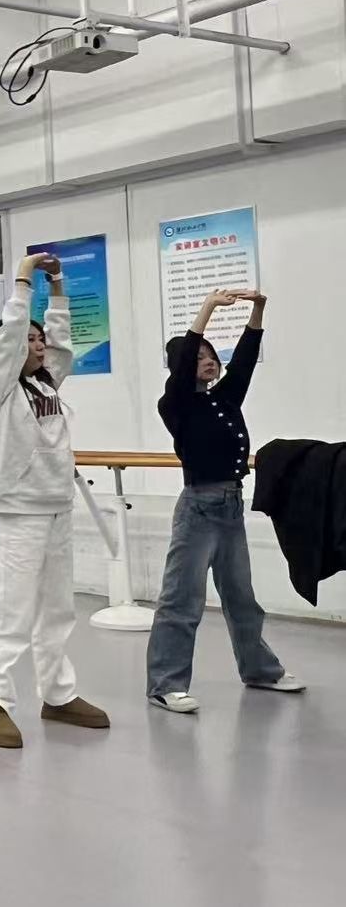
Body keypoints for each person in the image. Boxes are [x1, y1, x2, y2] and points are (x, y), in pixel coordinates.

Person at [0, 252, 110, 750]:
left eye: (40, 339)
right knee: (11, 611)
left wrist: (58, 286)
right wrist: (23, 281)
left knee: (57, 609)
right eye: (31, 339)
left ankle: (58, 694)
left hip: (57, 505)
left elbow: (63, 344)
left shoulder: (46, 382)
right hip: (18, 511)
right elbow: (8, 339)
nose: (39, 345)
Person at [147, 289, 303, 712]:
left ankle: (259, 670)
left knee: (241, 598)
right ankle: (165, 683)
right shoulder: (175, 404)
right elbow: (183, 363)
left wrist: (258, 309)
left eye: (211, 355)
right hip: (198, 508)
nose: (207, 361)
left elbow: (246, 359)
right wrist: (208, 309)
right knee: (182, 600)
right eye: (198, 357)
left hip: (231, 506)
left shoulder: (224, 397)